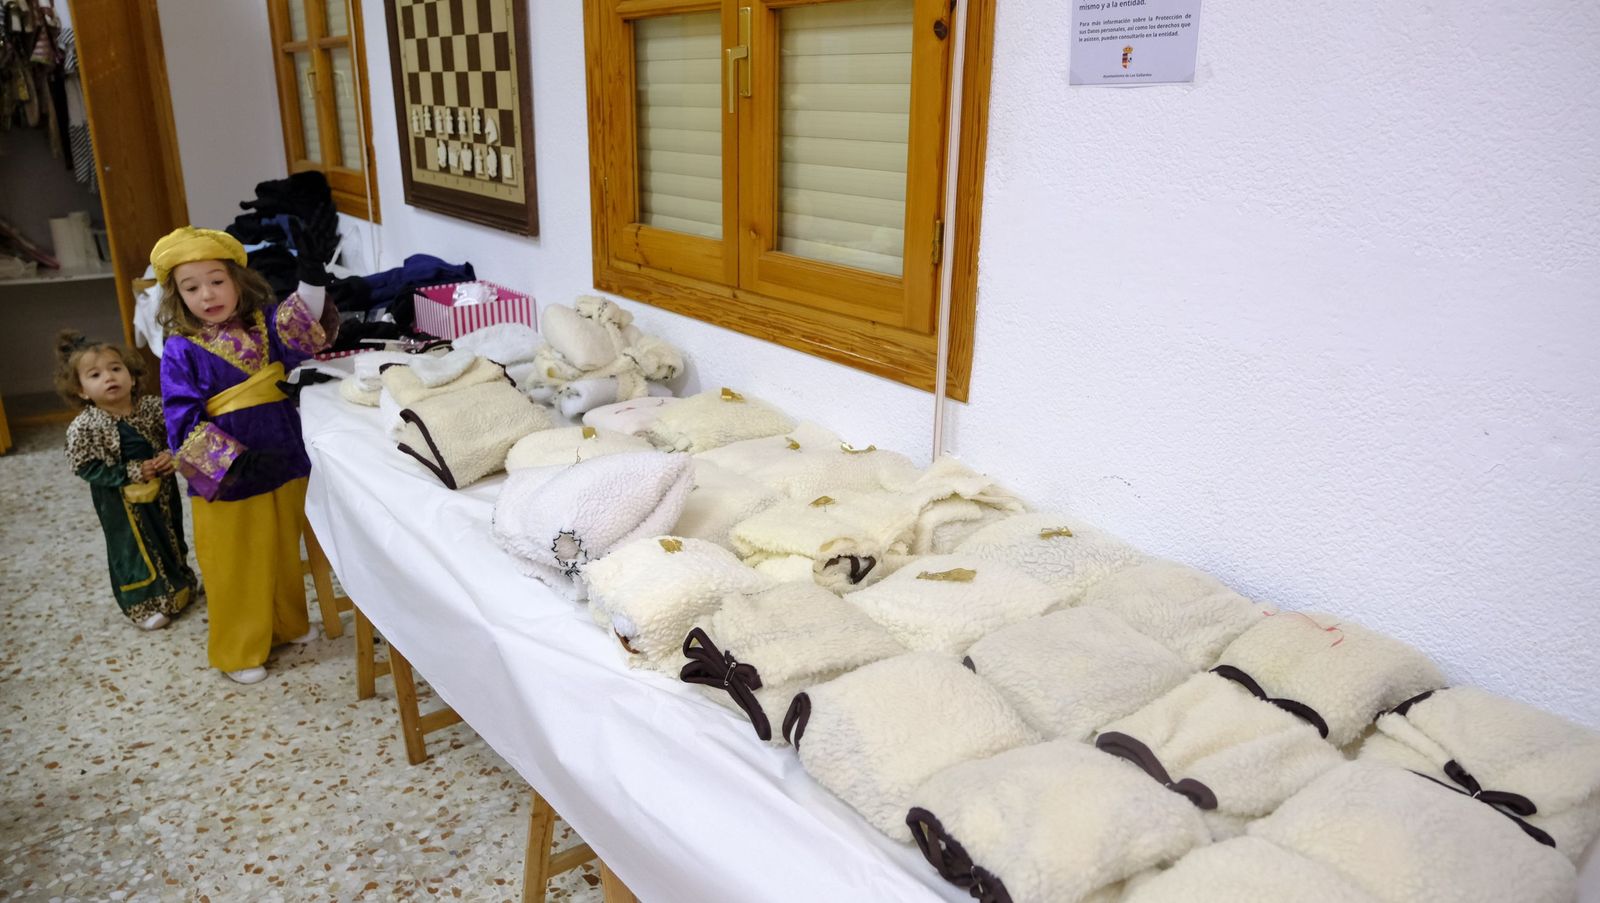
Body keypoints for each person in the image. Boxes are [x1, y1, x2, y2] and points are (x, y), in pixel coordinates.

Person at [152, 225, 338, 684]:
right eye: (190, 287)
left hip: (282, 453)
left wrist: (312, 275)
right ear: (177, 296)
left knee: (279, 545)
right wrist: (233, 462)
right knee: (235, 559)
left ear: (237, 280)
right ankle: (238, 649)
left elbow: (304, 330)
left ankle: (286, 623)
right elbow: (180, 422)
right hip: (230, 471)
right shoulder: (181, 350)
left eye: (216, 280)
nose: (207, 295)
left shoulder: (263, 324)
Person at [58, 330, 199, 630]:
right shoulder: (85, 426)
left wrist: (169, 456)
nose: (109, 377)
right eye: (95, 375)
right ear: (81, 390)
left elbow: (177, 437)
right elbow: (84, 466)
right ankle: (143, 605)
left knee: (170, 535)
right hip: (120, 505)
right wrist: (131, 472)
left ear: (132, 377)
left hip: (161, 492)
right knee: (133, 550)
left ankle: (178, 588)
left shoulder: (151, 407)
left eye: (115, 368)